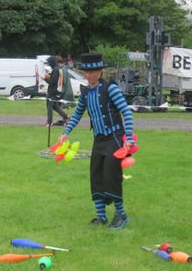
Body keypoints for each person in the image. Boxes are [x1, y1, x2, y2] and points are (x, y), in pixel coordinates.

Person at [57, 53, 135, 229]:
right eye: (87, 71)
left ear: (101, 71)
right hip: (98, 140)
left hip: (115, 138)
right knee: (96, 176)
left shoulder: (111, 89)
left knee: (111, 176)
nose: (90, 75)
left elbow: (126, 112)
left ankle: (121, 215)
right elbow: (77, 113)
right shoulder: (85, 92)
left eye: (94, 71)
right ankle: (101, 216)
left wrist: (128, 137)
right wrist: (65, 132)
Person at [44, 56, 69, 127]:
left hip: (53, 91)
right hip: (57, 91)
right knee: (55, 107)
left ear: (52, 62)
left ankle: (49, 122)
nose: (49, 65)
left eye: (49, 63)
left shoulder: (55, 70)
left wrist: (46, 79)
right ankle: (66, 116)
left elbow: (53, 81)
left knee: (49, 106)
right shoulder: (58, 69)